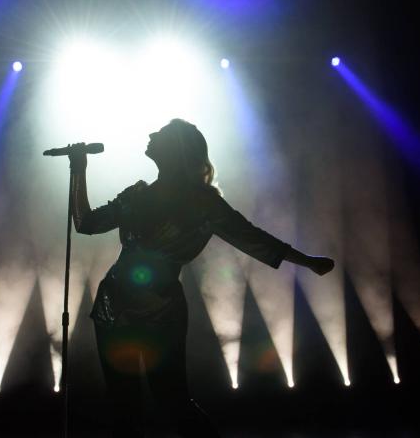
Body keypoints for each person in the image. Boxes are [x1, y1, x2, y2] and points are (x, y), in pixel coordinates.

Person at [70, 118, 335, 438]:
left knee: (172, 401)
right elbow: (85, 223)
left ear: (178, 149)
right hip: (114, 306)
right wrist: (78, 168)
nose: (151, 134)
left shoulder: (202, 203)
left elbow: (251, 237)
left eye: (162, 133)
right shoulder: (136, 195)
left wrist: (306, 261)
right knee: (123, 405)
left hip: (161, 309)